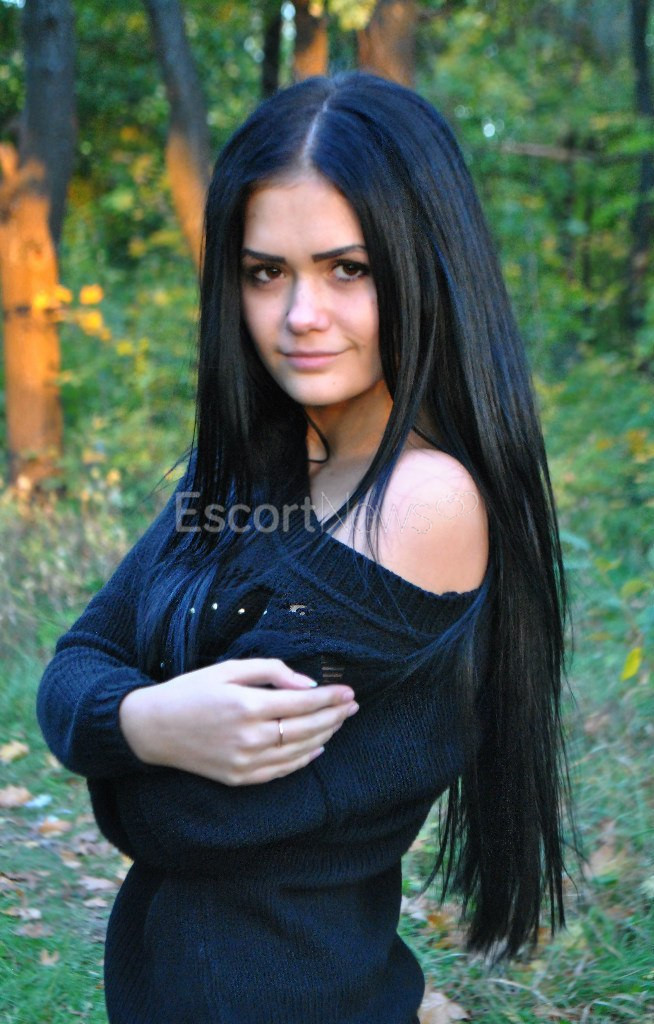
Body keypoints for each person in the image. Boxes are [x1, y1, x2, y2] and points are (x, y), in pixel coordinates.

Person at [37, 71, 570, 1024]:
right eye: (265, 272)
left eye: (347, 269)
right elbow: (74, 663)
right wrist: (149, 725)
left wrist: (116, 744)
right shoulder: (253, 468)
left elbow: (185, 820)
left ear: (423, 265)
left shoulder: (423, 503)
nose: (300, 316)